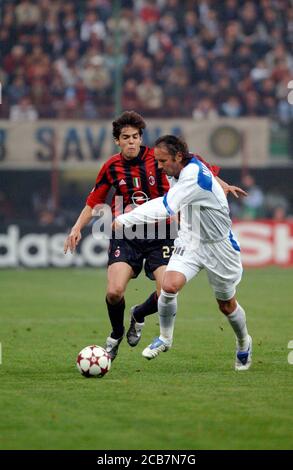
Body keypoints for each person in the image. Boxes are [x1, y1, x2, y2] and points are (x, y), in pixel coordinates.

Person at [64, 112, 246, 362]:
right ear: (118, 140)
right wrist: (76, 228)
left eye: (136, 137)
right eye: (126, 137)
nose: (132, 142)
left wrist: (221, 184)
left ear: (141, 138)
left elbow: (201, 168)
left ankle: (139, 314)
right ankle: (117, 334)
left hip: (162, 234)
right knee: (115, 292)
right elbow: (94, 201)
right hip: (127, 235)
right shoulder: (111, 166)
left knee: (166, 291)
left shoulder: (162, 157)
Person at [114, 135, 252, 371]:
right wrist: (223, 184)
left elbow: (165, 206)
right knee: (169, 286)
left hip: (219, 246)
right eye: (156, 161)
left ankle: (243, 343)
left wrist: (125, 219)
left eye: (163, 161)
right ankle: (165, 339)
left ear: (178, 157)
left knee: (226, 305)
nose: (159, 167)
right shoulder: (181, 166)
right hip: (190, 240)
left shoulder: (192, 176)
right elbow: (204, 169)